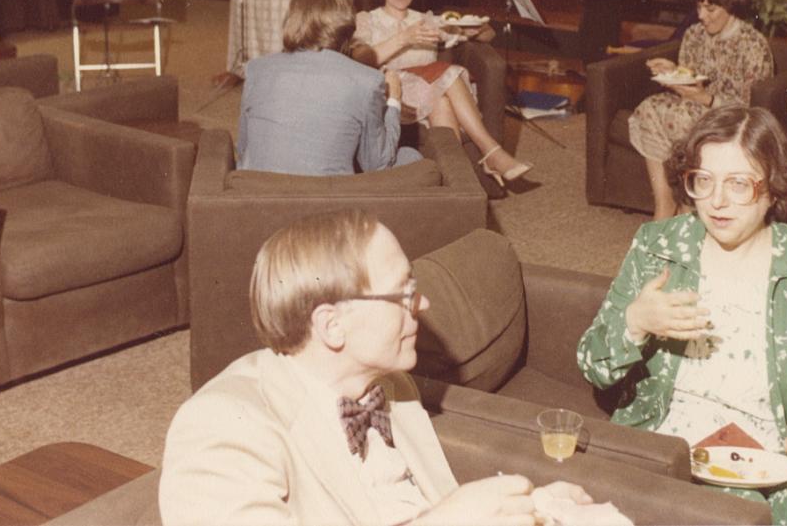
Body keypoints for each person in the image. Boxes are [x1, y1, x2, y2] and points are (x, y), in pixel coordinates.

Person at [159, 209, 596, 525]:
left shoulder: (391, 385)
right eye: (402, 293)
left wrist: (534, 510)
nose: (422, 304)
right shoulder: (223, 426)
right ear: (332, 325)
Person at [577, 106, 787, 526]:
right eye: (703, 180)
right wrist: (634, 322)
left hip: (769, 451)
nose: (717, 201)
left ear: (774, 186)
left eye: (739, 184)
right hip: (667, 441)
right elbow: (592, 367)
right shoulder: (657, 247)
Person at [353, 0, 532, 187]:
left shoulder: (428, 20)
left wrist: (473, 29)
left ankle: (456, 185)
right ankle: (491, 152)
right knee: (447, 72)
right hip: (393, 96)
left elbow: (489, 34)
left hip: (429, 96)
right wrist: (404, 38)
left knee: (443, 102)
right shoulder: (367, 19)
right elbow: (360, 60)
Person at [628, 0, 773, 220]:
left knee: (684, 122)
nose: (702, 16)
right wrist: (674, 71)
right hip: (692, 106)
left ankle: (686, 204)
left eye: (711, 8)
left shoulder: (753, 45)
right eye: (699, 7)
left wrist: (706, 98)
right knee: (648, 108)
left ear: (730, 7)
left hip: (728, 117)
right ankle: (664, 204)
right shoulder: (694, 34)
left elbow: (749, 109)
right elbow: (691, 76)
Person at [238, 0, 421, 175]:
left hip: (255, 193)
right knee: (410, 157)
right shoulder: (367, 80)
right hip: (324, 200)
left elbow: (243, 148)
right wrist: (394, 100)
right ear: (346, 27)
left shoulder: (256, 69)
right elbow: (377, 164)